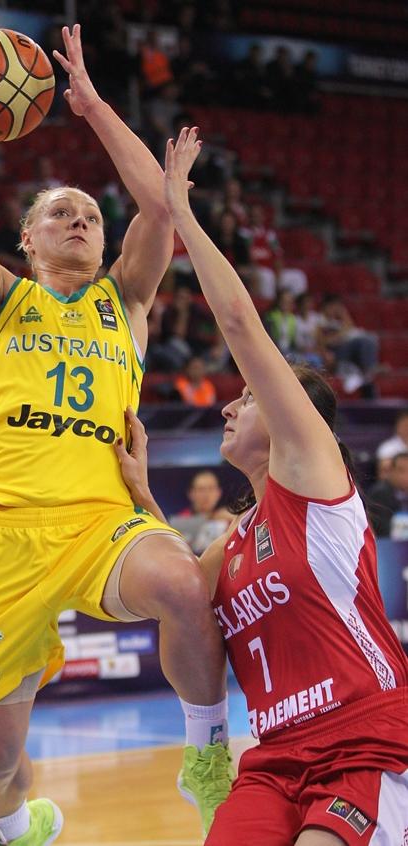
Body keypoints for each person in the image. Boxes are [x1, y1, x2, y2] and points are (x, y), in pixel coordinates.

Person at [0, 25, 231, 846]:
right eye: (58, 214)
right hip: (4, 536)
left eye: (88, 216)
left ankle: (207, 758)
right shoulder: (0, 299)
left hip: (102, 523)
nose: (78, 220)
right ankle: (10, 825)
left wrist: (94, 106)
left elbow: (158, 206)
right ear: (26, 241)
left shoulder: (125, 301)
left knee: (182, 583)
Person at [114, 126, 408, 845]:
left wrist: (180, 213)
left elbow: (241, 324)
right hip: (273, 757)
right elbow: (181, 591)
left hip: (365, 733)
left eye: (244, 399)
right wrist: (141, 497)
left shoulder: (312, 474)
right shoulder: (235, 540)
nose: (227, 404)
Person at [170, 470, 232, 555]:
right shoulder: (179, 521)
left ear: (218, 493)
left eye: (211, 489)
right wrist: (211, 517)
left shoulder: (229, 520)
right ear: (191, 493)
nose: (206, 495)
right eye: (201, 489)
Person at [368, 452, 408, 539]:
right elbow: (382, 530)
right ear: (391, 471)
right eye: (401, 471)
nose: (406, 476)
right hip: (388, 547)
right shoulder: (379, 493)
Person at [376, 409, 408, 480]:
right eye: (405, 425)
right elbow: (383, 472)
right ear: (398, 426)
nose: (407, 428)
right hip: (395, 485)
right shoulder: (387, 447)